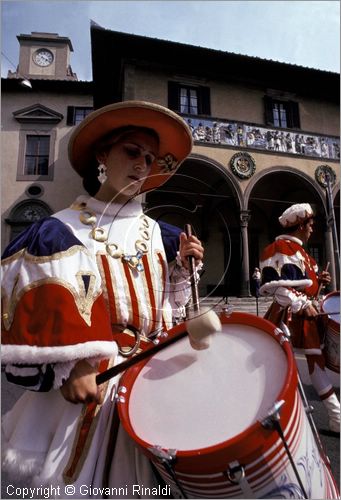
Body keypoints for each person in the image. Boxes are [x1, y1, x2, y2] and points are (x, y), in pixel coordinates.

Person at [1, 101, 204, 497]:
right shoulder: (59, 230)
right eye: (132, 152)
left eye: (150, 158)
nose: (142, 164)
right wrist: (72, 363)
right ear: (101, 156)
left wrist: (180, 270)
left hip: (154, 376)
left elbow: (168, 306)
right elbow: (44, 306)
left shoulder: (164, 235)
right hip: (95, 383)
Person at [259, 203, 340, 433]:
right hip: (288, 316)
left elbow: (304, 288)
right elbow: (280, 289)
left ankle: (335, 416)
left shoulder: (302, 252)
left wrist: (319, 282)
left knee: (315, 364)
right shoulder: (282, 248)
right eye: (310, 224)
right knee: (279, 364)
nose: (312, 229)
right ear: (300, 225)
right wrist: (303, 303)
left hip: (304, 315)